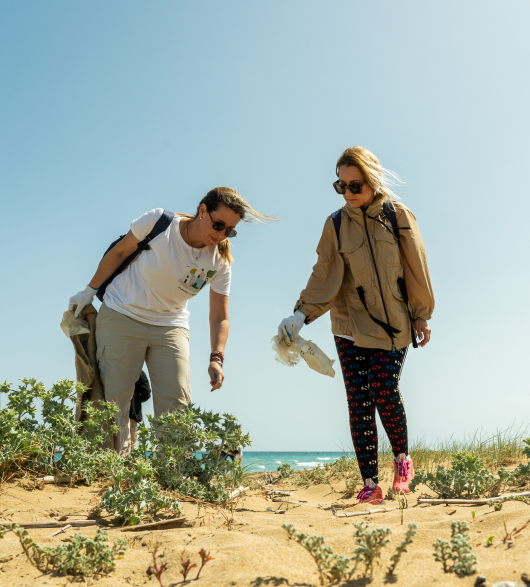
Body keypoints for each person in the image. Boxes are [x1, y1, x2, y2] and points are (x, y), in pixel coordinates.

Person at [278, 146, 434, 505]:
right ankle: (369, 482)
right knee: (359, 401)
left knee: (383, 387)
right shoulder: (334, 225)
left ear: (373, 181)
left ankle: (402, 461)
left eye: (355, 186)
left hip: (394, 323)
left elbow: (416, 266)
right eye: (341, 186)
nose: (348, 194)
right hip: (348, 324)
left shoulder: (398, 216)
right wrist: (300, 315)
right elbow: (324, 273)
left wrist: (422, 313)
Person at [68, 187, 276, 455]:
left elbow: (220, 316)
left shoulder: (220, 262)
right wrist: (89, 292)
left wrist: (217, 358)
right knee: (112, 401)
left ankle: (172, 477)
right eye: (219, 225)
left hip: (170, 326)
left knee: (176, 405)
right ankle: (102, 472)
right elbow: (119, 253)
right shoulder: (158, 223)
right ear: (202, 210)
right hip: (123, 314)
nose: (222, 234)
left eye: (230, 231)